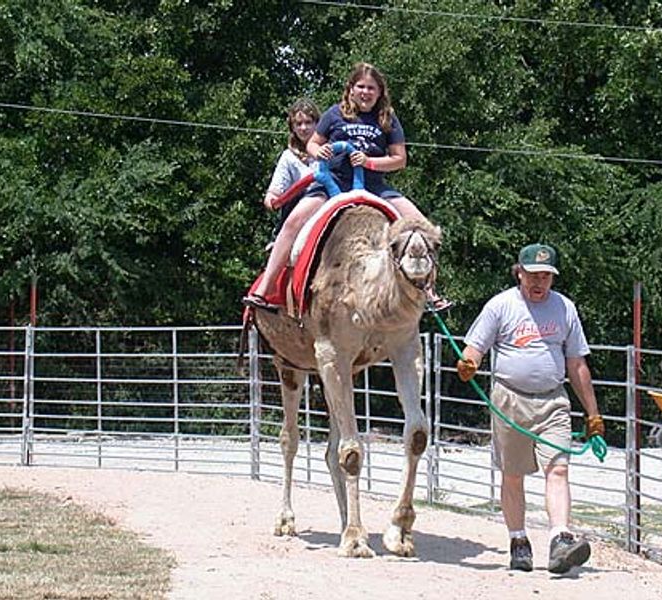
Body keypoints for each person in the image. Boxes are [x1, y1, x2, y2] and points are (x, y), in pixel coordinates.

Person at [244, 62, 450, 312]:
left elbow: (399, 159)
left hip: (374, 186)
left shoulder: (388, 118)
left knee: (422, 227)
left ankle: (428, 291)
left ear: (380, 91)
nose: (365, 92)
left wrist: (370, 162)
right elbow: (312, 145)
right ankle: (265, 290)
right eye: (360, 87)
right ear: (351, 89)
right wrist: (319, 150)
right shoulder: (334, 114)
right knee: (293, 221)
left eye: (371, 88)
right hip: (334, 184)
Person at [456, 243, 604, 574]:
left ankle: (560, 540)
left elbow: (577, 363)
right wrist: (469, 363)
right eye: (533, 275)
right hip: (510, 400)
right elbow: (475, 346)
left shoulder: (565, 308)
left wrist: (592, 413)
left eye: (546, 277)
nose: (539, 283)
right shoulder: (501, 305)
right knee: (513, 475)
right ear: (518, 272)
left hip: (553, 400)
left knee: (559, 467)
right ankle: (518, 540)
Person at [262, 98, 320, 249]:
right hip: (301, 208)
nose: (303, 128)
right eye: (298, 124)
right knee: (297, 197)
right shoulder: (289, 157)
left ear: (317, 124)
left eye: (308, 122)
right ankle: (280, 248)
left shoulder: (328, 151)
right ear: (292, 127)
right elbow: (275, 190)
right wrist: (272, 198)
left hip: (325, 201)